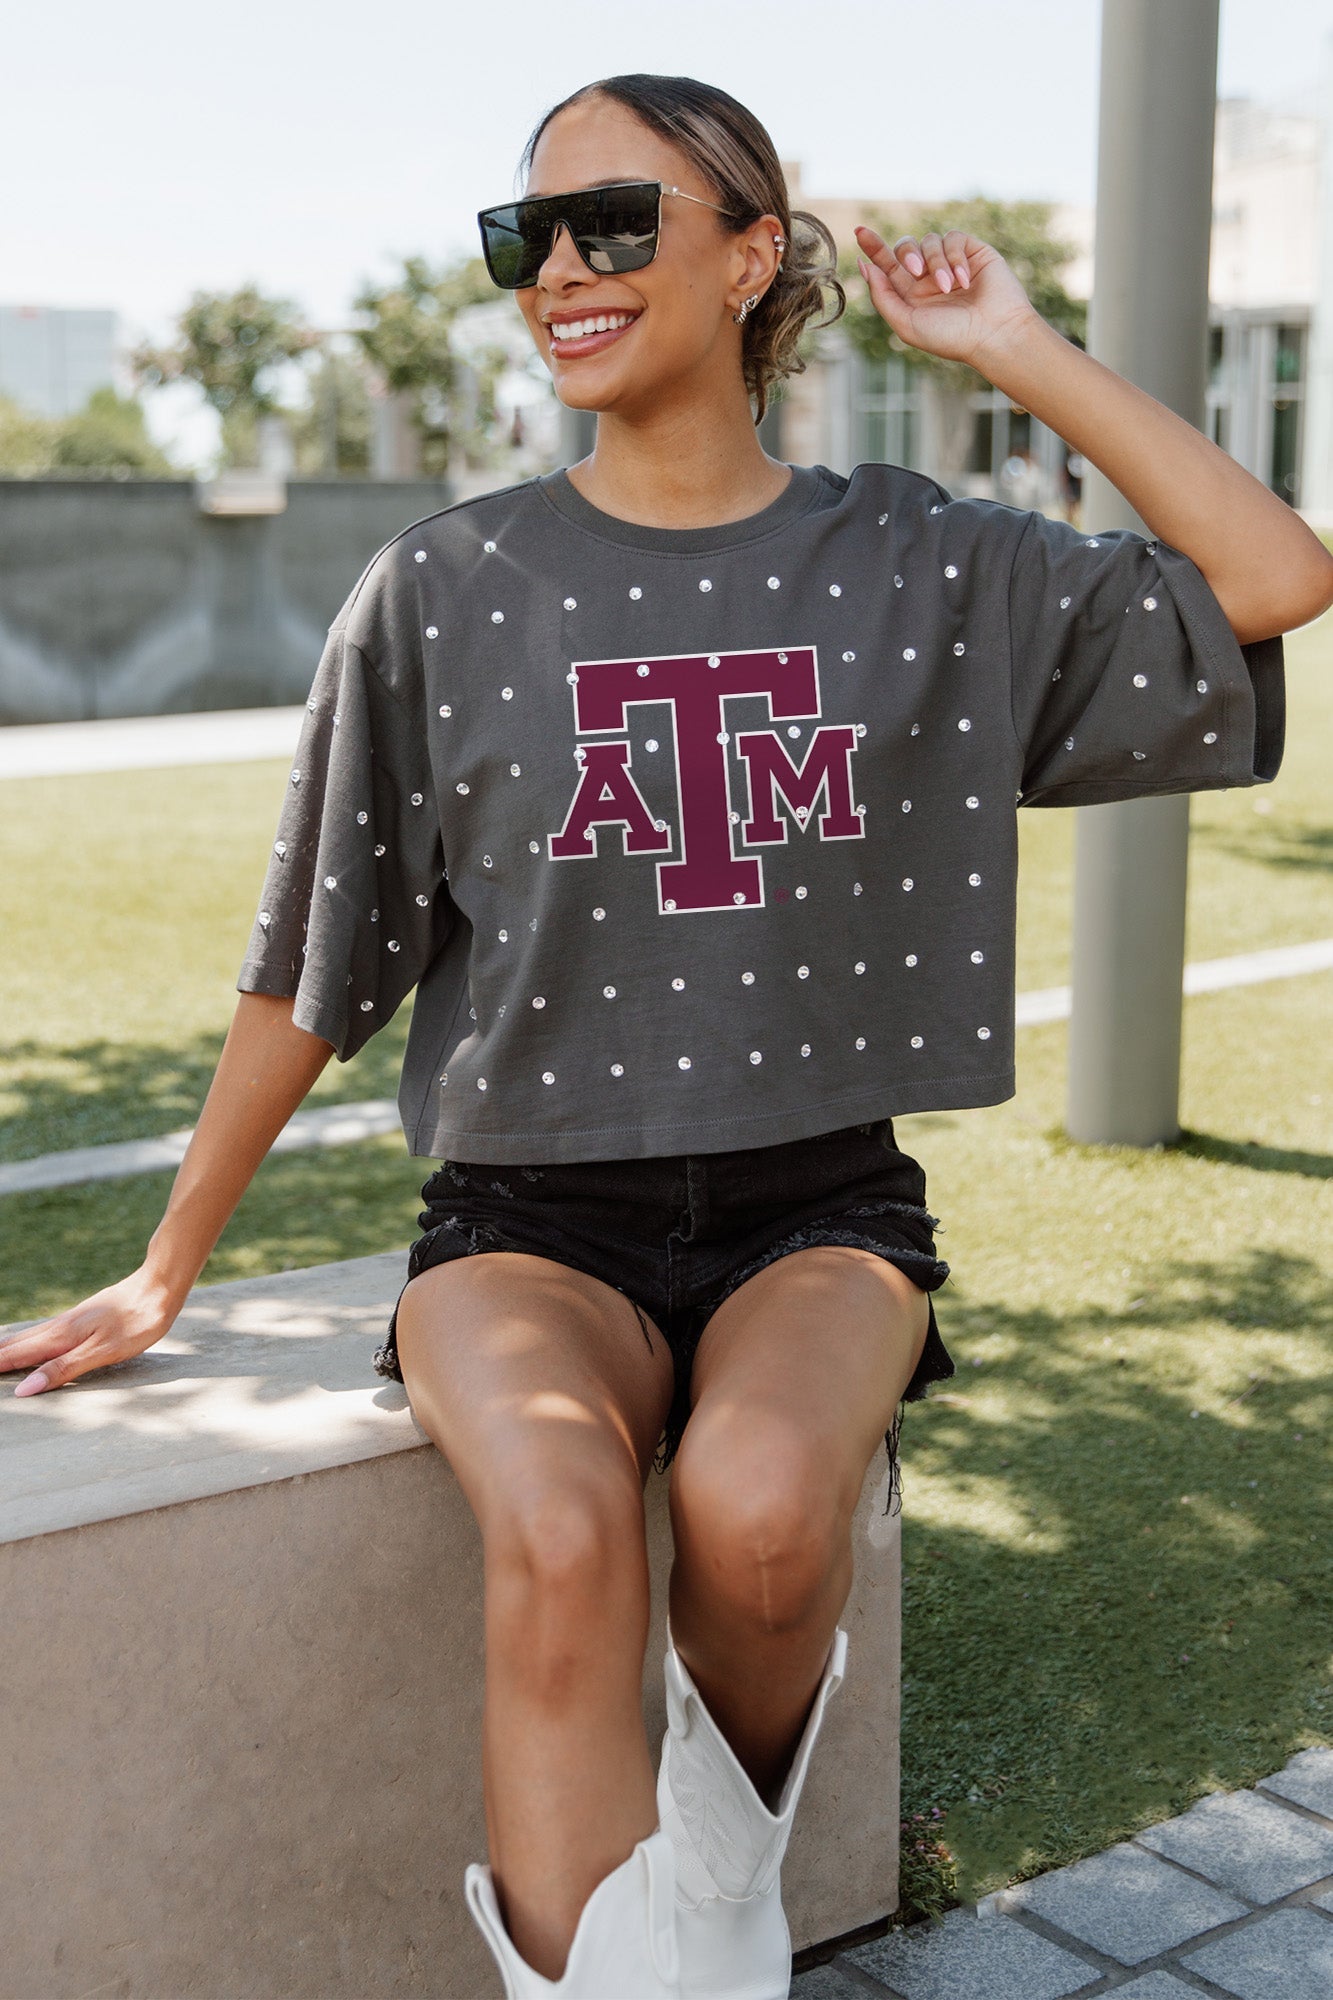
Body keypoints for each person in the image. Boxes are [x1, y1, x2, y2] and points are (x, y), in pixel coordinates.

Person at [4, 69, 1328, 2000]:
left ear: (749, 253)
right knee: (556, 1524)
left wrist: (1013, 342)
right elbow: (318, 953)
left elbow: (1276, 577)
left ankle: (719, 1830)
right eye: (520, 237)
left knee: (762, 1514)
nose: (560, 272)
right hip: (524, 1224)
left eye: (613, 225)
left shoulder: (923, 560)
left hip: (820, 1209)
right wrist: (166, 1256)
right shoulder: (440, 590)